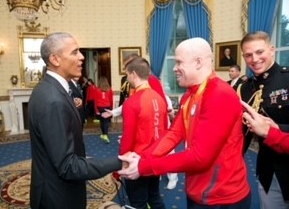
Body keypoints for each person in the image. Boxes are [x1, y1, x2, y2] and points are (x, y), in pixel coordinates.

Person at [118, 37, 251, 208]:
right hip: (197, 190)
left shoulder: (219, 94)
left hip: (222, 197)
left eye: (179, 62)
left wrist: (144, 166)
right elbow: (174, 134)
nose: (174, 68)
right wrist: (142, 156)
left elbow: (200, 157)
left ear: (198, 62)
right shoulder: (189, 95)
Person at [28, 32, 122, 209]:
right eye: (74, 52)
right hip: (57, 195)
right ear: (55, 59)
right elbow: (67, 166)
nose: (81, 57)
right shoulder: (53, 100)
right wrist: (119, 162)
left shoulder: (51, 89)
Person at [238, 31, 289, 208]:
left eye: (260, 52)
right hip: (268, 169)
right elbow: (242, 132)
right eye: (248, 55)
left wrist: (277, 129)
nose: (255, 59)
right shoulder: (245, 88)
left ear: (272, 50)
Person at [120, 56, 167, 209]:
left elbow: (127, 138)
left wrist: (122, 164)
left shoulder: (132, 102)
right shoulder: (159, 98)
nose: (127, 78)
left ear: (133, 74)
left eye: (127, 74)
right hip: (156, 157)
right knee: (154, 198)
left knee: (138, 203)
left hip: (137, 161)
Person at [95, 76, 113, 143]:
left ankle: (104, 134)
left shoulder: (97, 89)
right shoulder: (109, 89)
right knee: (106, 121)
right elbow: (111, 100)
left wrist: (96, 110)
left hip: (100, 107)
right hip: (107, 106)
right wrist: (111, 109)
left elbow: (95, 101)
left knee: (102, 121)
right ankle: (105, 134)